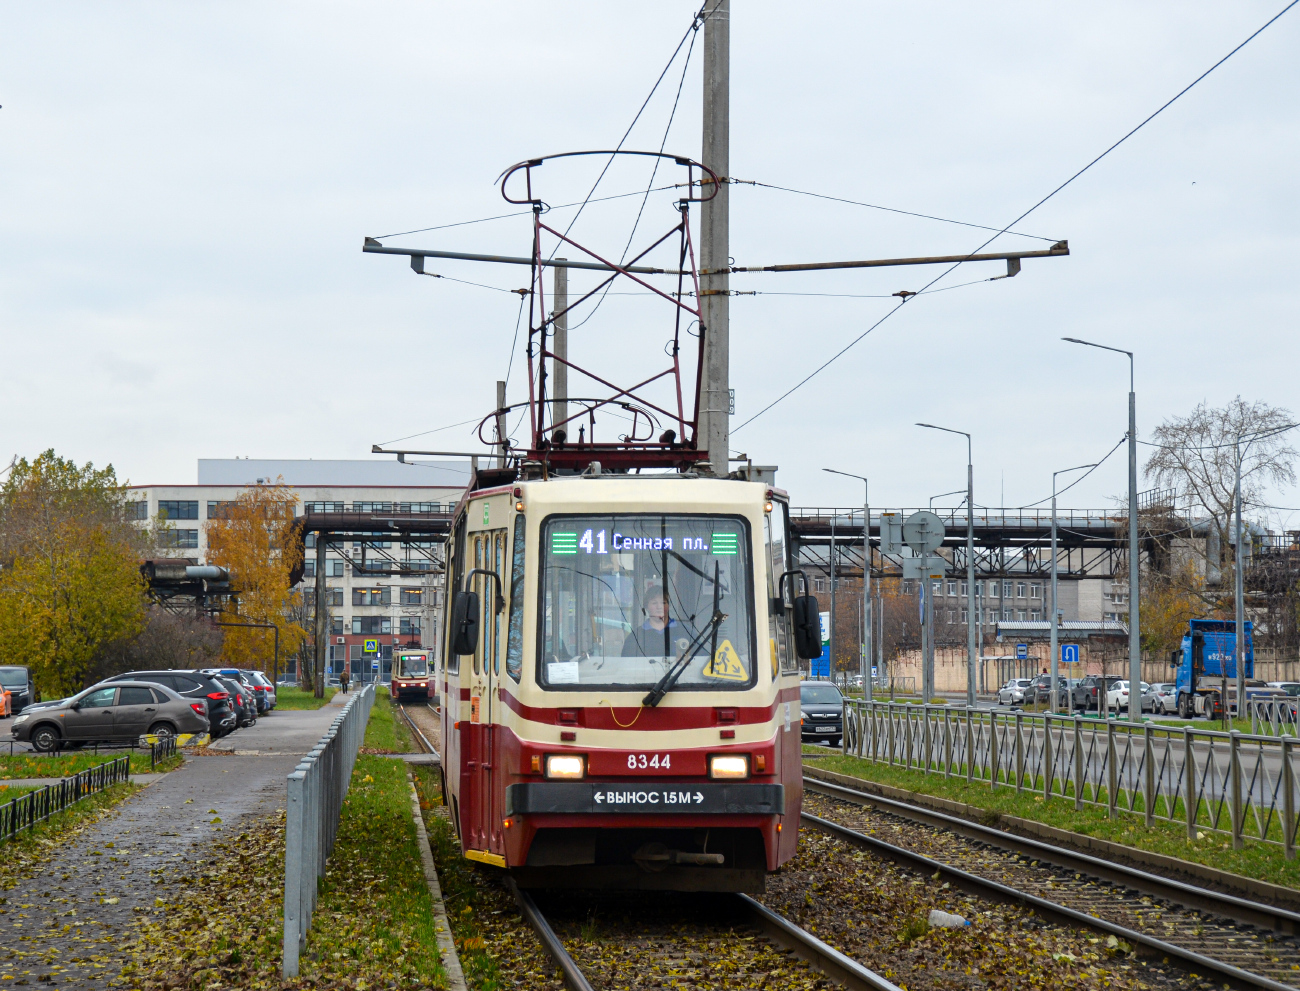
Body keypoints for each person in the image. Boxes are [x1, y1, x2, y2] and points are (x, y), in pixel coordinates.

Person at [622, 584, 679, 657]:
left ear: (669, 605)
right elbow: (626, 665)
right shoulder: (635, 637)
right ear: (646, 606)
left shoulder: (684, 631)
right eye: (654, 603)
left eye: (663, 602)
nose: (659, 607)